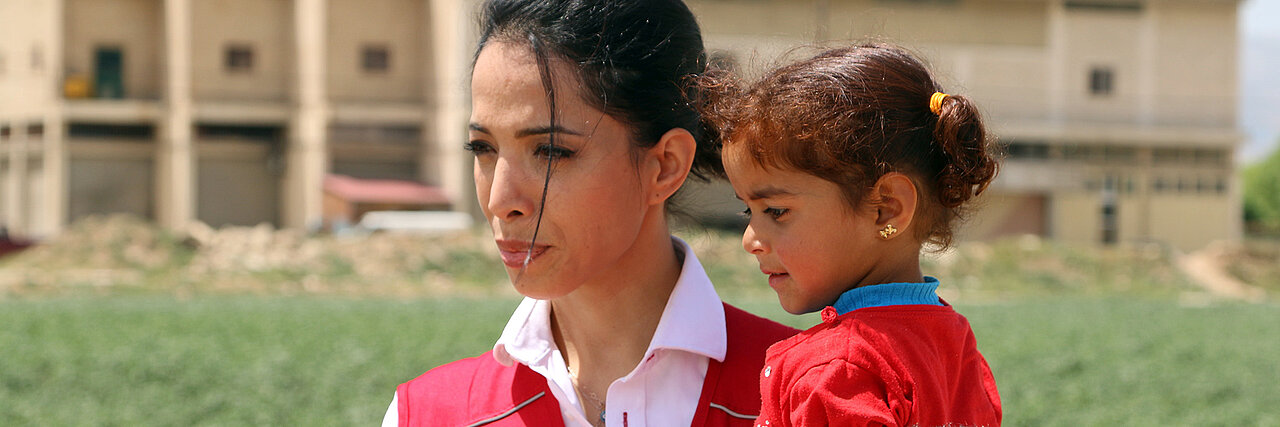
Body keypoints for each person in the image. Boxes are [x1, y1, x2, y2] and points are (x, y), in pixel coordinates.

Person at [382, 0, 798, 426]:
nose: (500, 201)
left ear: (665, 165)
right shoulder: (428, 414)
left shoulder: (814, 396)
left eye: (550, 151)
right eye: (483, 148)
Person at [703, 44, 1002, 426]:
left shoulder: (837, 370)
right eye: (750, 210)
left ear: (886, 209)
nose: (750, 239)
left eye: (776, 211)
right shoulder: (954, 343)